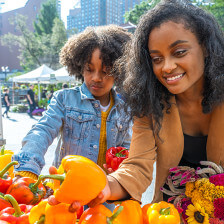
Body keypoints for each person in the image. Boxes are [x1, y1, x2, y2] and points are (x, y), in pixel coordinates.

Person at [56, 0, 224, 210]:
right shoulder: (151, 105)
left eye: (179, 52)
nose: (167, 67)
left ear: (206, 48)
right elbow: (137, 165)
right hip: (166, 215)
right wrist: (105, 187)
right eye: (156, 58)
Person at [13, 25, 132, 209]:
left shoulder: (125, 110)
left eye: (105, 70)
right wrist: (28, 167)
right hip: (65, 194)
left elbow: (127, 152)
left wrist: (119, 175)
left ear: (119, 70)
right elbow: (42, 130)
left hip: (104, 197)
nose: (96, 78)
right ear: (79, 67)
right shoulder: (64, 99)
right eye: (89, 69)